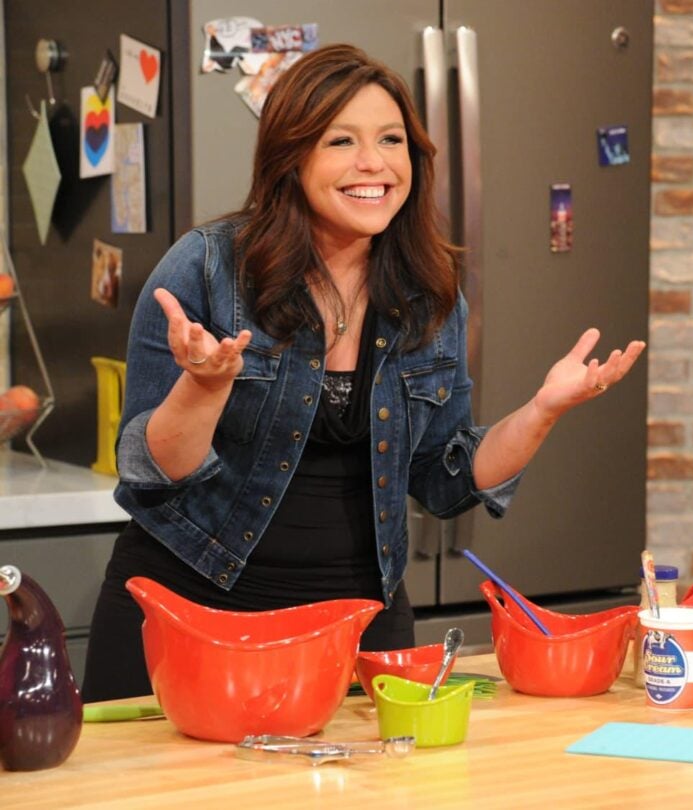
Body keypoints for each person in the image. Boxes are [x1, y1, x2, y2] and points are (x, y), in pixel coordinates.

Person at [81, 44, 645, 701]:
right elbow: (156, 468)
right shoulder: (207, 269)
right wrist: (205, 385)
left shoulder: (429, 297)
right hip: (194, 616)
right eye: (341, 141)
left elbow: (443, 479)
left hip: (361, 629)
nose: (373, 163)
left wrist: (542, 411)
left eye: (391, 140)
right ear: (291, 159)